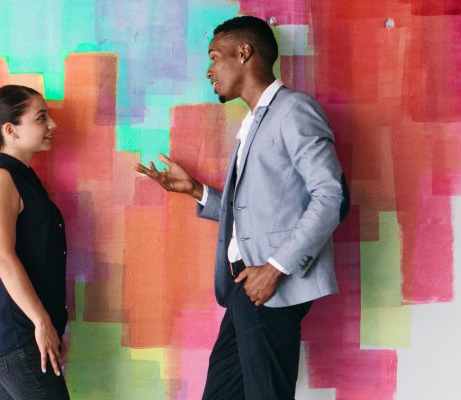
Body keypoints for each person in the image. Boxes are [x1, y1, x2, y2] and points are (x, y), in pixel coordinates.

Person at [135, 16, 349, 400]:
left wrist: (275, 268)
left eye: (214, 57)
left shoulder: (294, 110)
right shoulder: (254, 121)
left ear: (244, 52)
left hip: (271, 286)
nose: (209, 70)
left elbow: (332, 196)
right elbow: (260, 211)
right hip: (243, 288)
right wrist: (196, 190)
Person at [0, 84, 70, 400]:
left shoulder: (24, 180)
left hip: (24, 334)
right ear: (10, 130)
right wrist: (42, 323)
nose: (52, 124)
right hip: (19, 334)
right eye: (41, 117)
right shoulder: (1, 180)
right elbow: (3, 258)